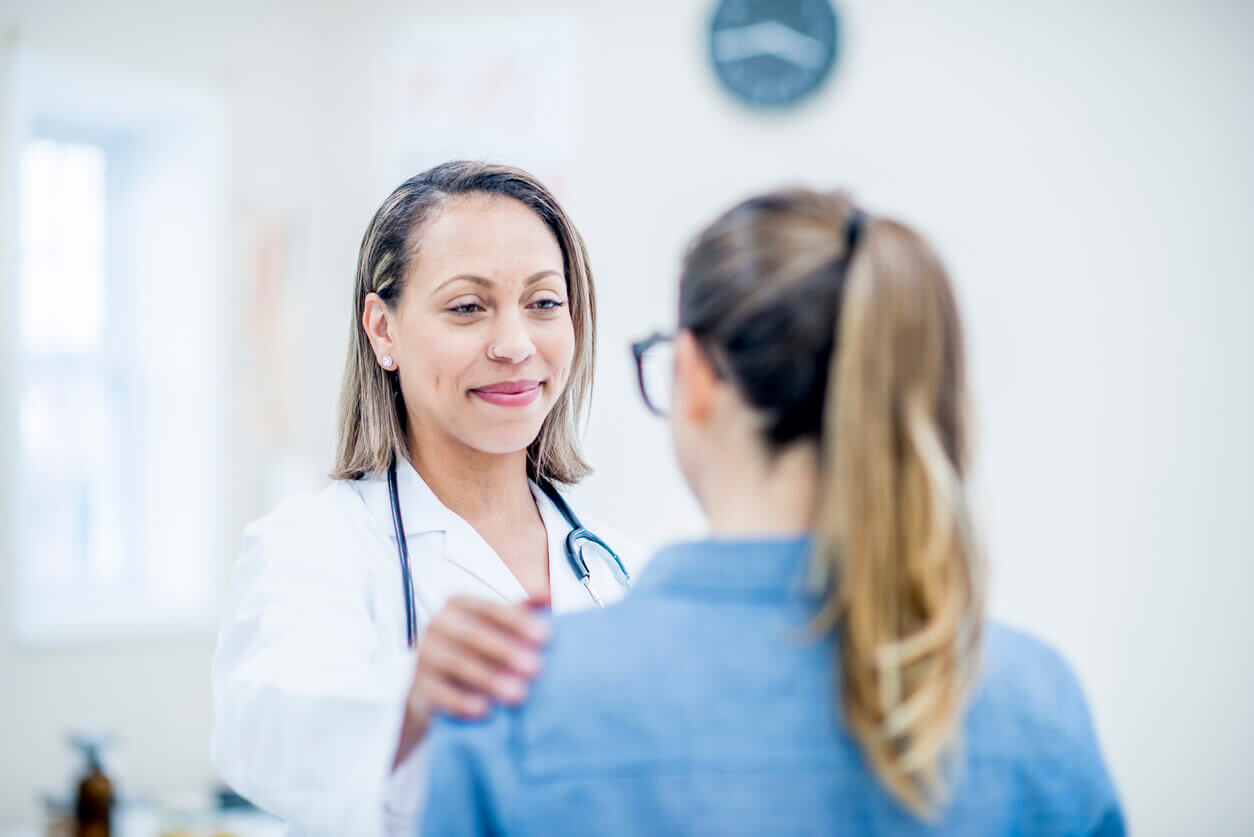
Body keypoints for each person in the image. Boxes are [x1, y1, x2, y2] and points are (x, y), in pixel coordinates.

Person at [420, 188, 1125, 835]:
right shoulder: (1033, 704)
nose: (513, 343)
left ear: (691, 377)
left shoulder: (512, 702)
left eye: (544, 303)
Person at [211, 161, 645, 836]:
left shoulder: (617, 563)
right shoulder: (313, 546)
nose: (514, 344)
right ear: (383, 330)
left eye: (544, 302)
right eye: (468, 306)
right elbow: (262, 732)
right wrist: (408, 697)